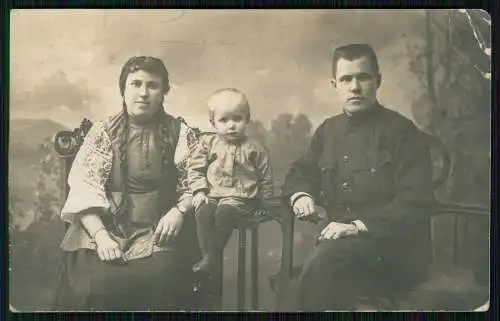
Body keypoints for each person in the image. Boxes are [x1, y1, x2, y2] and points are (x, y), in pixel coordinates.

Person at [281, 43, 436, 311]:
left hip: (394, 252)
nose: (355, 87)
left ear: (378, 80)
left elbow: (416, 202)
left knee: (320, 267)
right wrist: (301, 195)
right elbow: (301, 171)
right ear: (335, 85)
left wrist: (357, 226)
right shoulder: (328, 131)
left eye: (363, 77)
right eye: (346, 79)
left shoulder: (403, 133)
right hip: (342, 251)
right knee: (305, 279)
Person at [52, 56, 202, 311]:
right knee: (97, 283)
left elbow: (196, 183)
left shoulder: (180, 133)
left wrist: (179, 211)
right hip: (106, 227)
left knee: (163, 278)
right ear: (123, 89)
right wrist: (101, 237)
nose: (143, 93)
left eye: (152, 86)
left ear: (164, 92)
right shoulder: (102, 132)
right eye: (135, 84)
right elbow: (84, 190)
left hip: (160, 228)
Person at [187, 88, 274, 275]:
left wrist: (265, 203)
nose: (231, 125)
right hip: (213, 194)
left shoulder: (255, 148)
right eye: (224, 120)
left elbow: (265, 177)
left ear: (247, 119)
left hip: (241, 198)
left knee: (225, 212)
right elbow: (195, 169)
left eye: (237, 119)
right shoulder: (208, 144)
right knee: (202, 211)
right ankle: (208, 255)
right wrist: (199, 191)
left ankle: (213, 257)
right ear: (213, 123)